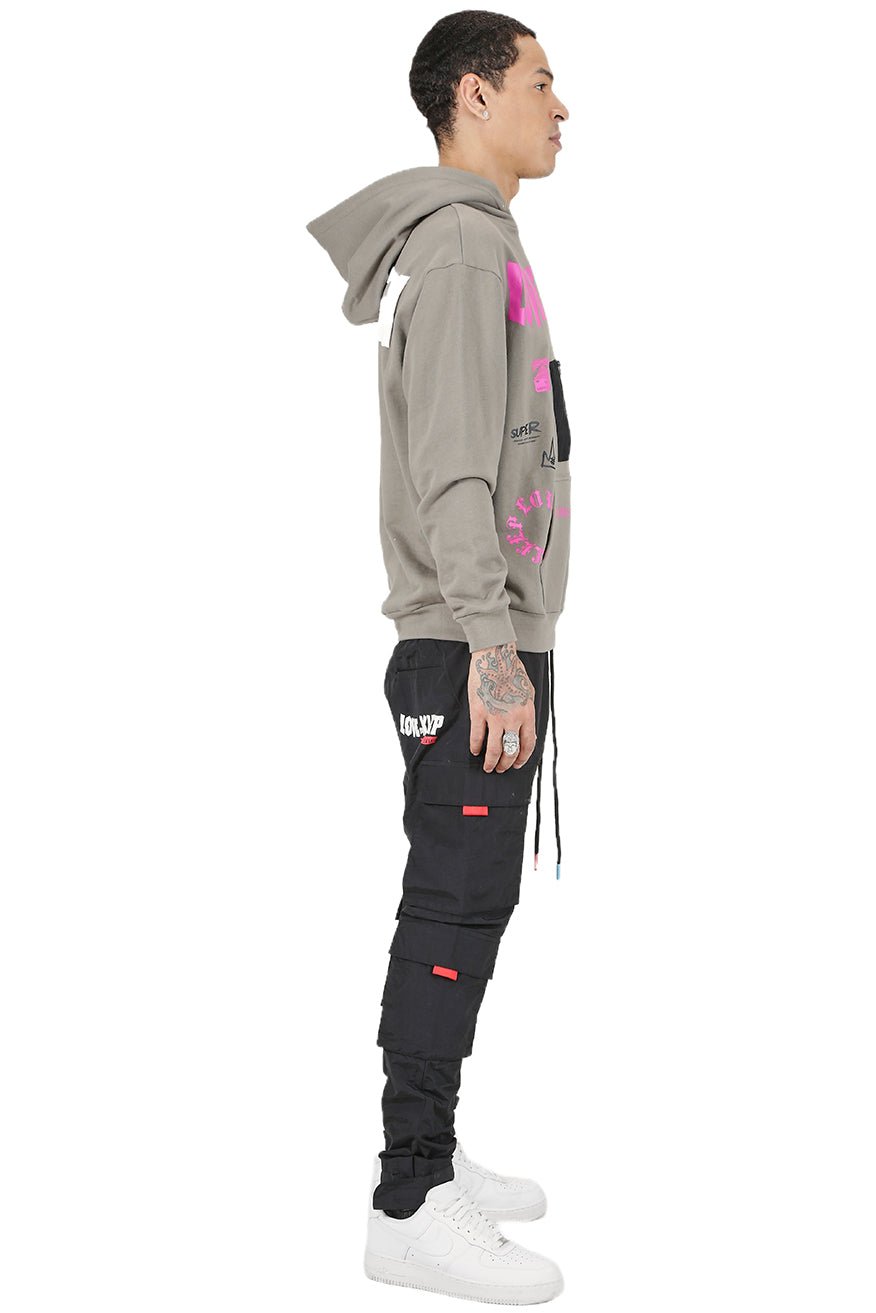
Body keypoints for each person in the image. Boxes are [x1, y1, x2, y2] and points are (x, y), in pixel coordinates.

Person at [306, 11, 572, 1303]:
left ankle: (432, 1143)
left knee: (469, 901)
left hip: (480, 635)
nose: (561, 107)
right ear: (474, 95)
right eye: (540, 81)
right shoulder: (464, 249)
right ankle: (408, 1193)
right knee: (453, 906)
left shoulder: (479, 242)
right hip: (469, 643)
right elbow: (455, 468)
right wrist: (492, 645)